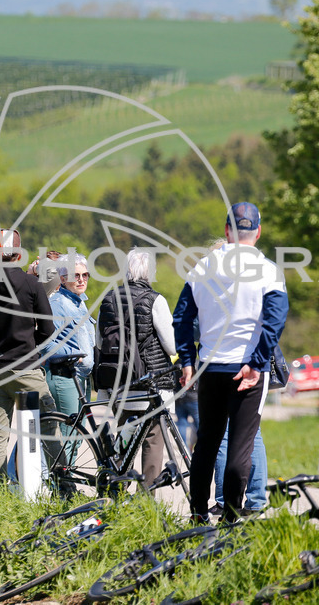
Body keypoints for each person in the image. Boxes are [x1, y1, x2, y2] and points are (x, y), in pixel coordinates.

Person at [173, 203, 288, 522]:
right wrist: (257, 361)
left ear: (226, 231)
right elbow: (275, 320)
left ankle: (197, 513)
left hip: (210, 367)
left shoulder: (203, 267)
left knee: (207, 442)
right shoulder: (267, 269)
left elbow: (181, 317)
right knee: (241, 444)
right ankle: (232, 517)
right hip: (249, 369)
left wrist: (187, 361)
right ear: (259, 232)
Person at [0, 228, 60, 479]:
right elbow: (48, 328)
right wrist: (31, 347)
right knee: (49, 424)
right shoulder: (31, 284)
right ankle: (64, 486)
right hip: (27, 368)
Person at [95, 249, 175, 489]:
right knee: (152, 440)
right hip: (151, 386)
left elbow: (100, 343)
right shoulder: (155, 300)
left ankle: (116, 492)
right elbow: (171, 346)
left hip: (120, 385)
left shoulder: (108, 299)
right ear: (150, 272)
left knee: (125, 439)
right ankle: (146, 501)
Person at [45, 253, 95, 422]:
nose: (81, 280)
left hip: (82, 378)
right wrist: (74, 354)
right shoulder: (57, 305)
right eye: (76, 275)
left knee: (77, 439)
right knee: (66, 437)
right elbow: (45, 344)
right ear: (63, 279)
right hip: (65, 377)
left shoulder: (80, 302)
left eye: (85, 275)